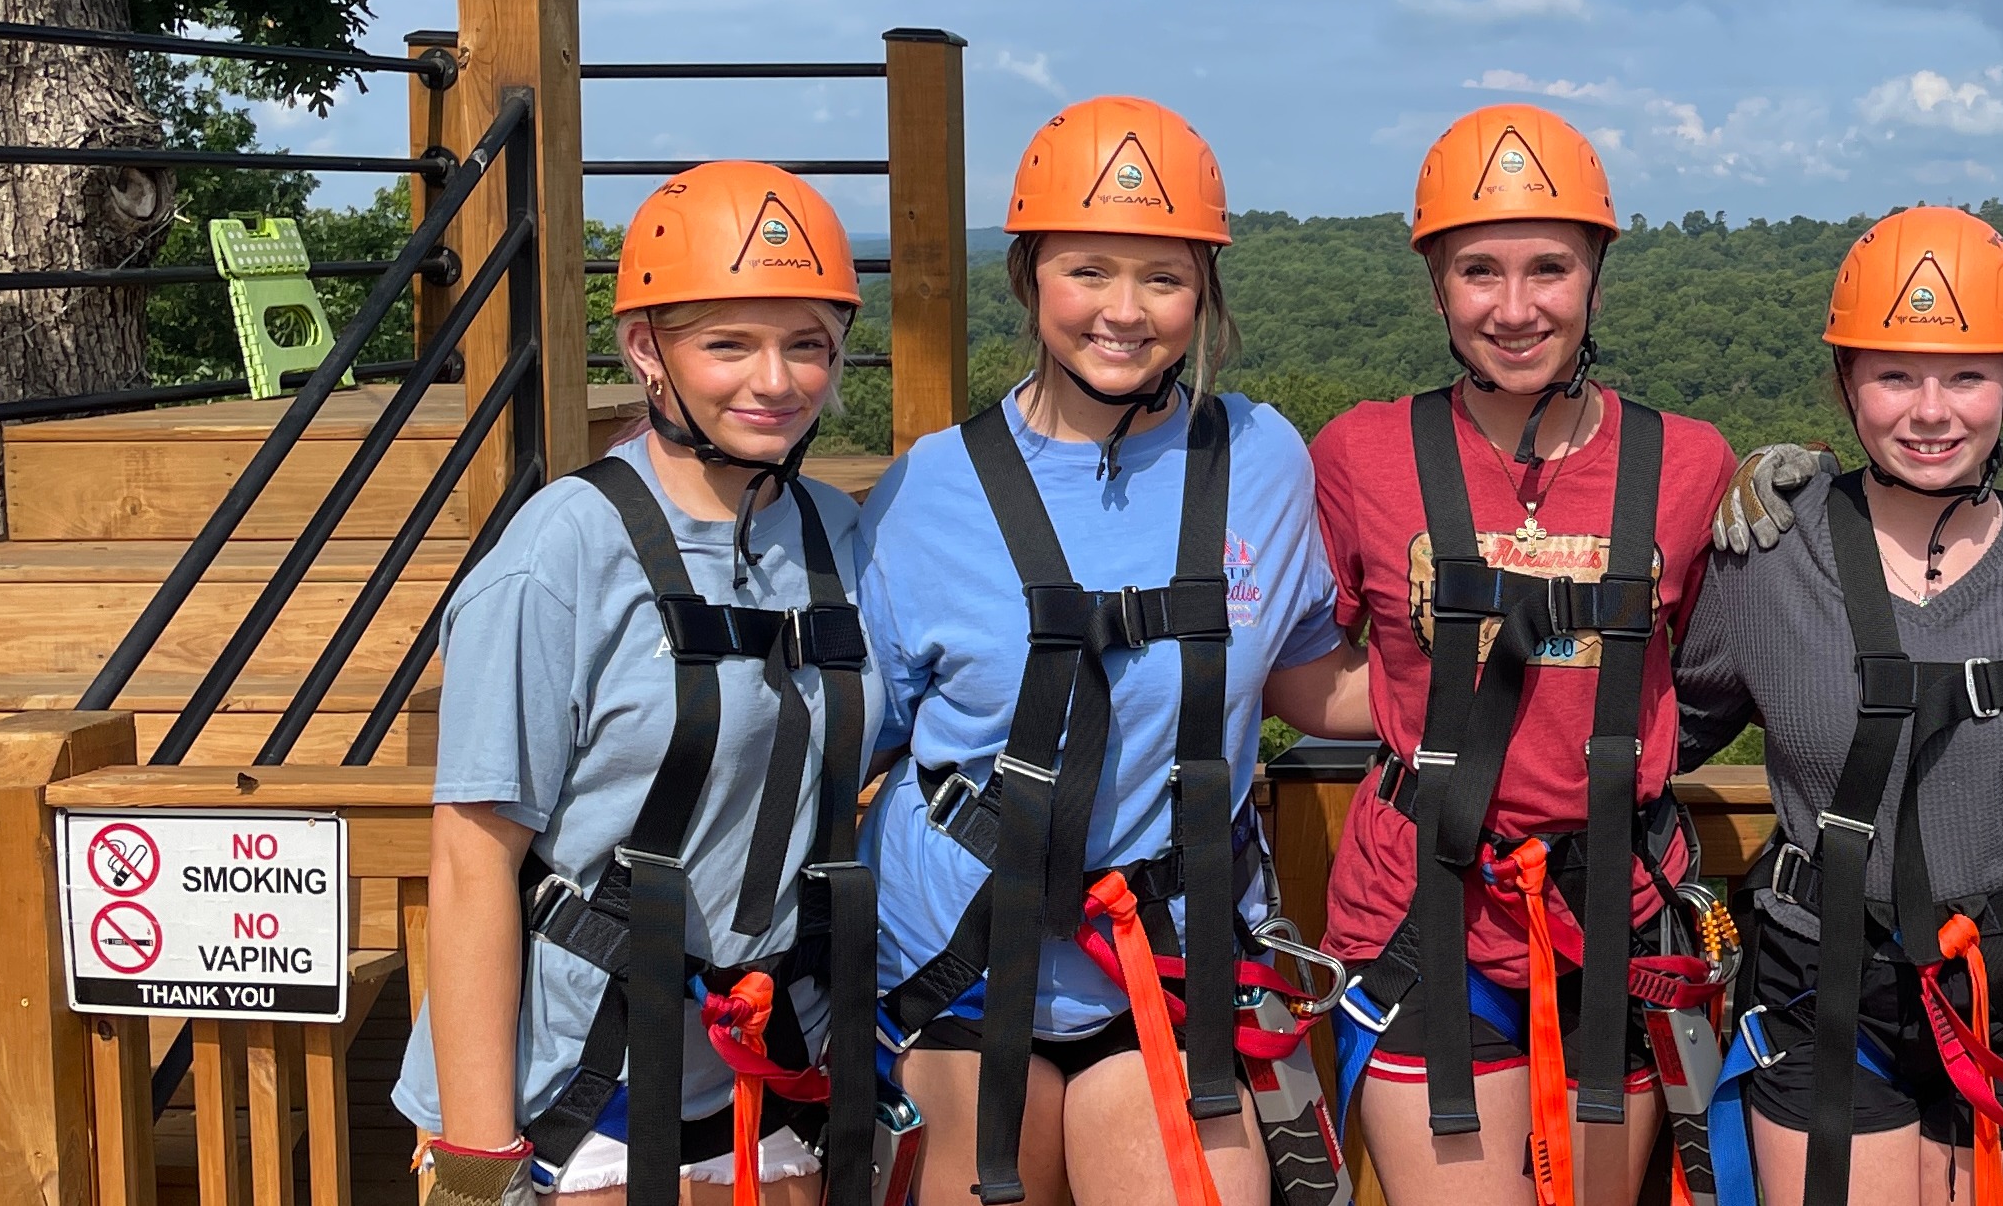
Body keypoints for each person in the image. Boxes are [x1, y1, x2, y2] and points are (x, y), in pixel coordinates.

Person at [856, 96, 1369, 1206]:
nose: (1125, 313)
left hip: (1170, 959)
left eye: (1164, 277)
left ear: (1206, 293)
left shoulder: (1261, 462)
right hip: (957, 958)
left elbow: (1311, 681)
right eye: (1089, 269)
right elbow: (837, 740)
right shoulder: (926, 495)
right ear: (1030, 274)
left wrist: (1569, 657)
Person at [403, 162, 882, 1206]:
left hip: (769, 1069)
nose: (775, 379)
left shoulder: (836, 539)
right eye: (728, 343)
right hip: (581, 1088)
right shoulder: (561, 554)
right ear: (647, 351)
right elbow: (472, 852)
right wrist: (481, 1163)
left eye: (808, 343)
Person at [1310, 102, 1744, 1206]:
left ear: (1595, 274)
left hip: (1616, 904)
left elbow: (1727, 670)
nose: (1514, 309)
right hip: (1422, 908)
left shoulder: (1688, 466)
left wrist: (1815, 512)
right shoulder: (1363, 452)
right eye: (1477, 272)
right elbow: (1295, 675)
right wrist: (1432, 701)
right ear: (1438, 286)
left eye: (1548, 268)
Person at [1678, 206, 2003, 1206]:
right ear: (1844, 383)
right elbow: (1654, 725)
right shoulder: (1767, 553)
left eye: (1967, 376)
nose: (1931, 412)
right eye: (1894, 375)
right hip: (1825, 984)